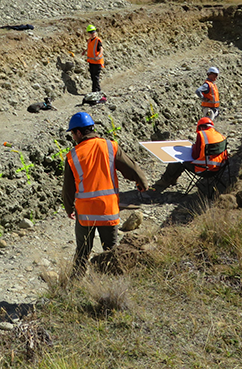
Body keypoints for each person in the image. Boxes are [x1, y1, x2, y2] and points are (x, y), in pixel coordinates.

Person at [62, 111, 148, 275]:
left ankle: (76, 286)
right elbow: (131, 167)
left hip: (85, 214)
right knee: (110, 251)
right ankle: (111, 284)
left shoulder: (73, 155)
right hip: (108, 211)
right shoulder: (110, 146)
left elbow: (68, 188)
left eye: (72, 133)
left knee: (82, 252)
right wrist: (141, 182)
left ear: (79, 132)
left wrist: (69, 208)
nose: (73, 137)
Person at [155, 117, 227, 191]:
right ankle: (172, 180)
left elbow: (195, 156)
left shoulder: (201, 135)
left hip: (204, 169)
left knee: (178, 160)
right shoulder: (220, 136)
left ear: (201, 127)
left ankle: (165, 181)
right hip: (218, 168)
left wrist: (194, 148)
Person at [84, 24, 104, 93]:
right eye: (91, 32)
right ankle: (96, 90)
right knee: (93, 77)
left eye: (94, 32)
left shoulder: (97, 40)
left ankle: (96, 91)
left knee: (95, 77)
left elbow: (101, 49)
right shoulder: (89, 40)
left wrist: (98, 56)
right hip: (91, 62)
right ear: (88, 33)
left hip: (97, 62)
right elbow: (91, 48)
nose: (93, 33)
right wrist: (85, 51)